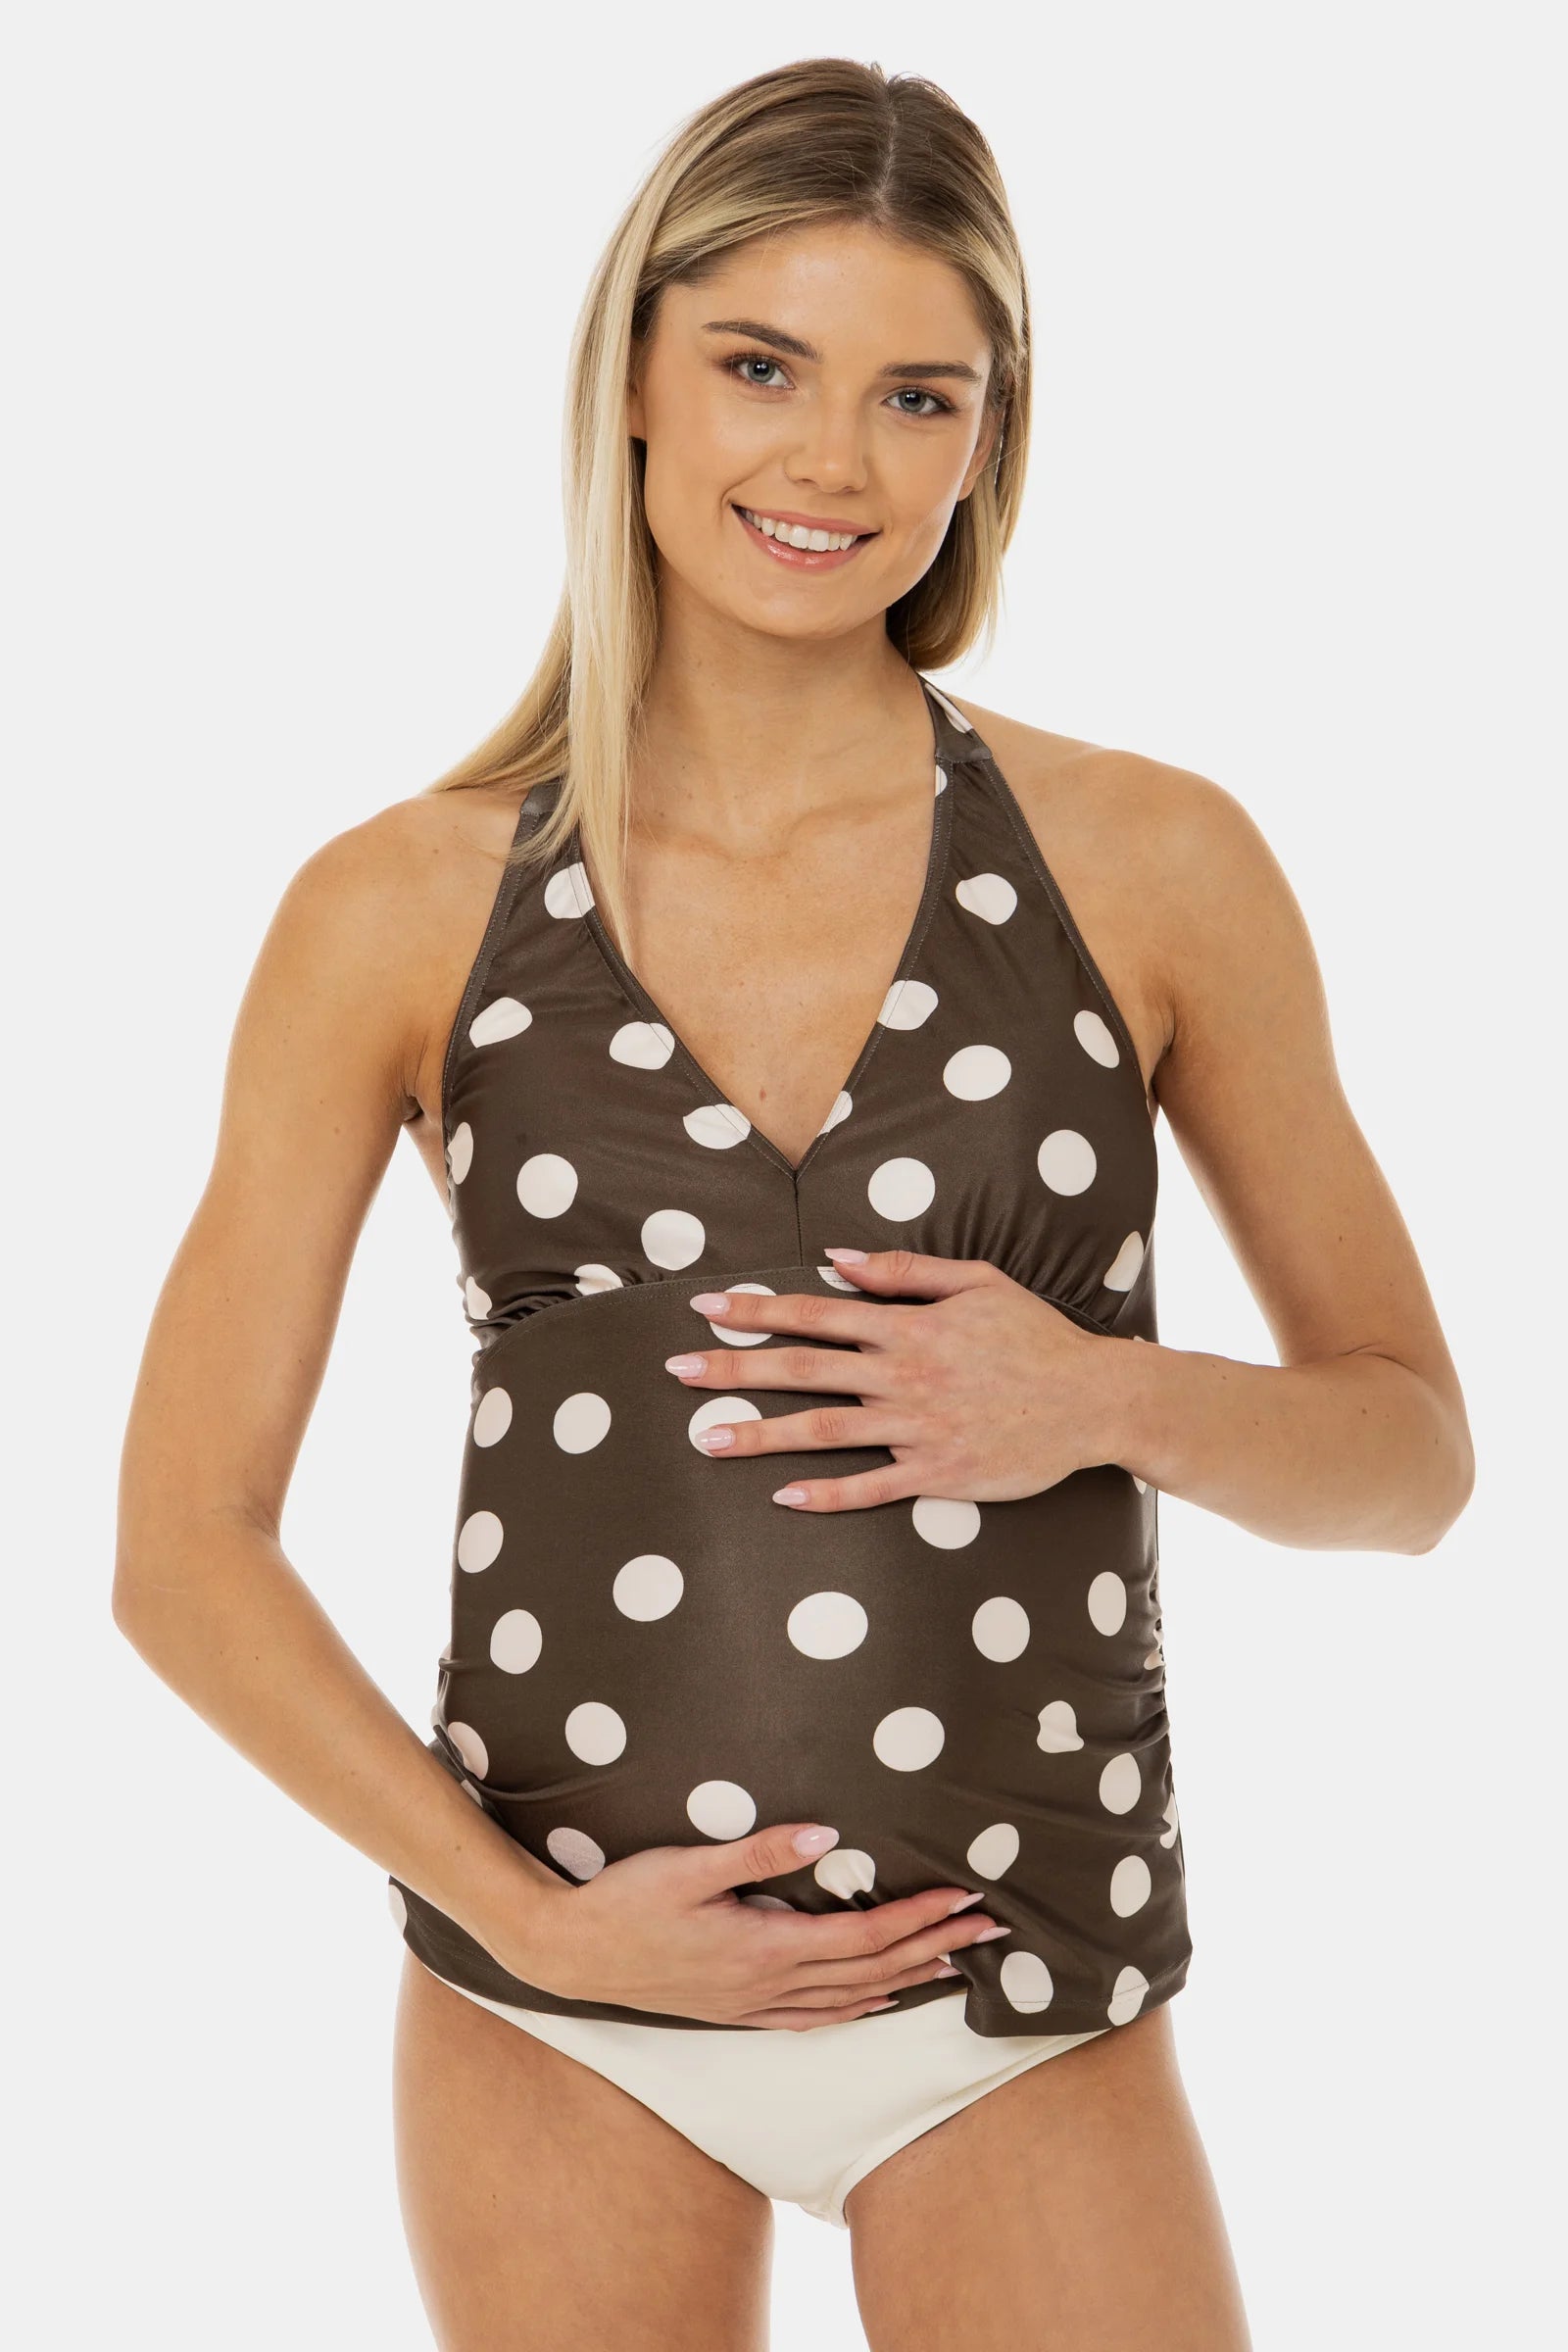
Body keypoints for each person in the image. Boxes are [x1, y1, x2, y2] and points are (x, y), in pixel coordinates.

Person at [112, 56, 1474, 2352]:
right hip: (566, 2004)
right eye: (761, 366)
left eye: (914, 395)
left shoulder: (1150, 862)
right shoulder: (398, 904)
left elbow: (1407, 1459)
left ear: (984, 443)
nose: (832, 462)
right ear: (632, 378)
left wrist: (1098, 1399)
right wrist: (527, 1924)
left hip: (1017, 1968)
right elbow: (180, 1547)